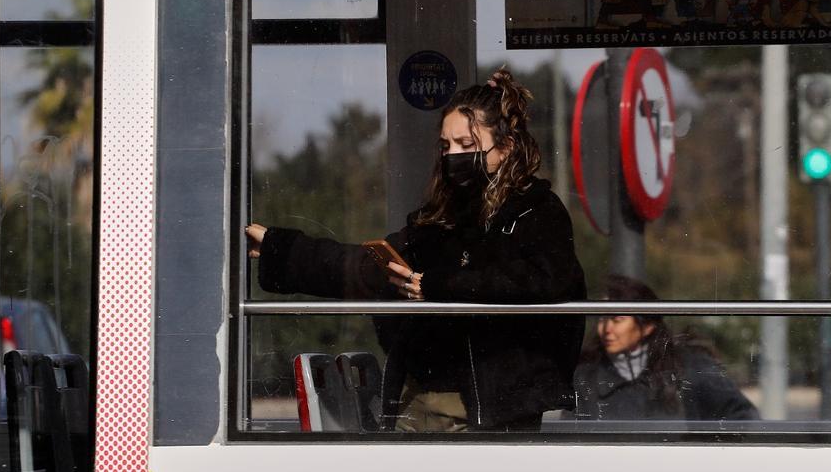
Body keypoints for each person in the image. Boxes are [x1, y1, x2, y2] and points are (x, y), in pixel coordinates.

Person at [245, 69, 587, 432]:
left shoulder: (536, 211)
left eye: (466, 145)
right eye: (445, 145)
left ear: (505, 148)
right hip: (418, 396)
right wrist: (279, 248)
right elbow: (364, 266)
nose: (453, 155)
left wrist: (438, 287)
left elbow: (541, 280)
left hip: (487, 408)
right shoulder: (440, 220)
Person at [573, 275, 759, 422]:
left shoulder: (690, 366)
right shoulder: (586, 376)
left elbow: (741, 417)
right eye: (602, 318)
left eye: (617, 319)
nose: (606, 329)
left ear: (647, 326)